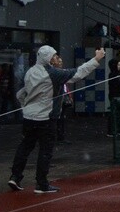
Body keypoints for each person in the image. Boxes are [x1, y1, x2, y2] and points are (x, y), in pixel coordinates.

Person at [10, 44, 104, 194]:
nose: (56, 58)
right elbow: (78, 73)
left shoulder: (30, 72)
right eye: (54, 56)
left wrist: (25, 108)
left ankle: (15, 176)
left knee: (25, 147)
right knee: (45, 151)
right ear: (47, 58)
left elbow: (21, 94)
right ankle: (41, 184)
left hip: (28, 118)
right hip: (46, 119)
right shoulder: (53, 73)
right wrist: (96, 59)